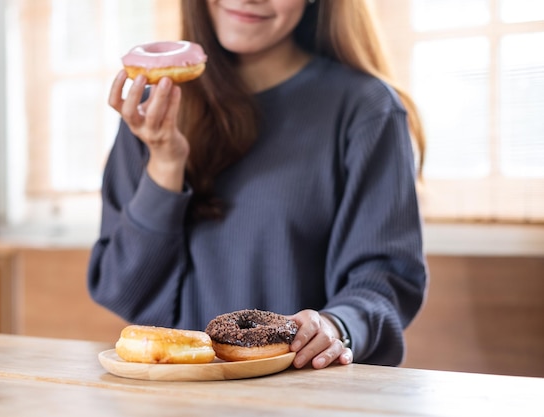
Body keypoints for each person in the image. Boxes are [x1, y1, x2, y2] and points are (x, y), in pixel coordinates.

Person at [87, 0, 428, 369]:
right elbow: (120, 289)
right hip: (172, 399)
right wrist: (166, 163)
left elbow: (385, 279)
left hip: (301, 395)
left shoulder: (366, 109)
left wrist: (334, 326)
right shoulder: (151, 111)